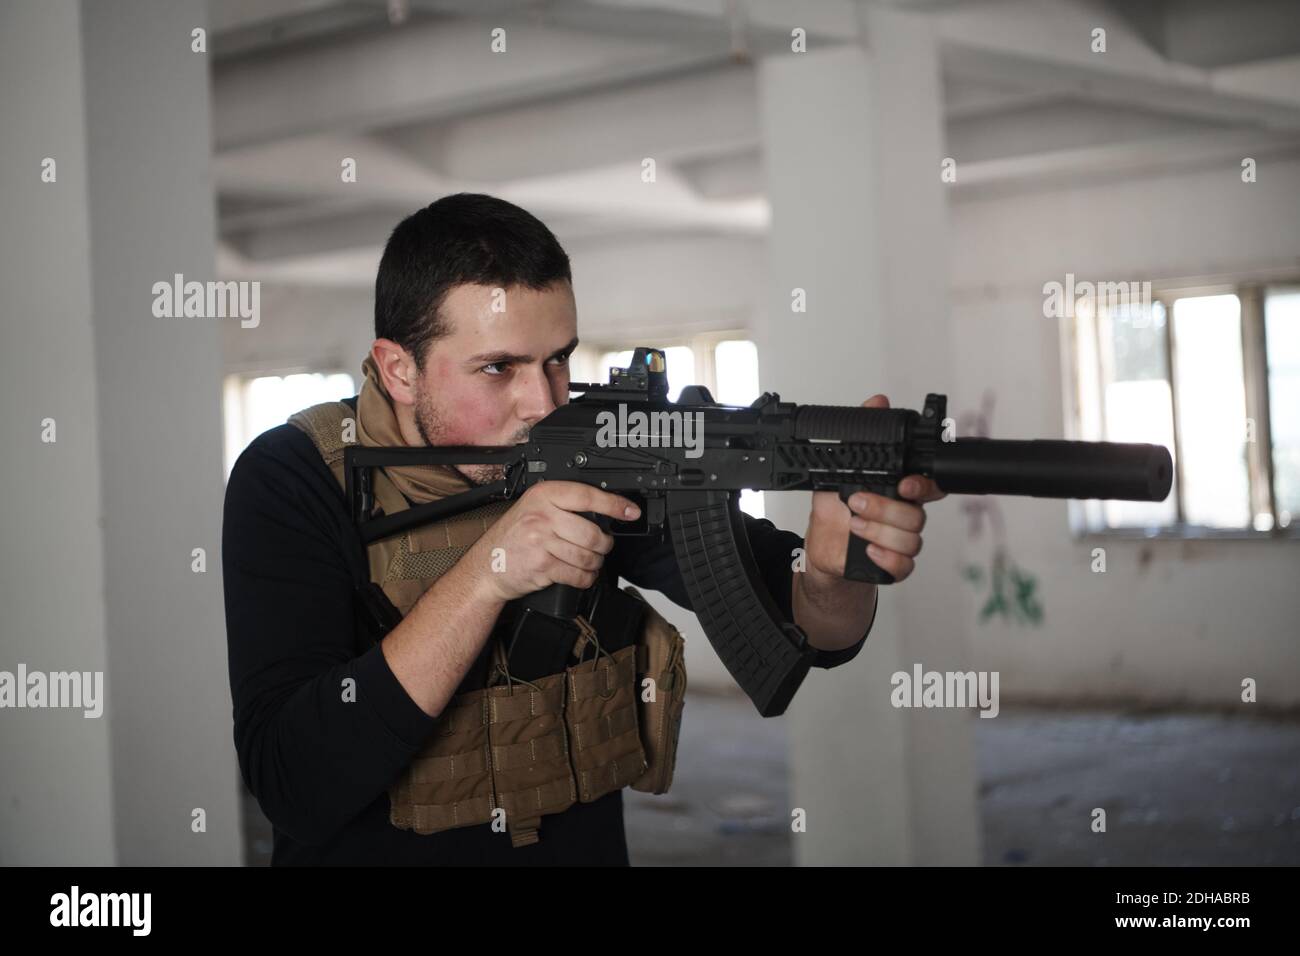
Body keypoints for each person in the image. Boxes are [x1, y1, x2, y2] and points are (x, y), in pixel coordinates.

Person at [222, 192, 945, 865]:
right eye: (498, 368)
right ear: (399, 369)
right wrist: (488, 574)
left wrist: (830, 574)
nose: (542, 401)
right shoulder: (295, 478)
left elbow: (809, 629)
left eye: (559, 360)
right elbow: (293, 781)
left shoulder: (595, 451)